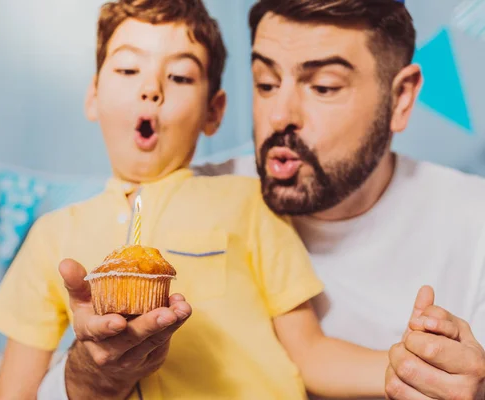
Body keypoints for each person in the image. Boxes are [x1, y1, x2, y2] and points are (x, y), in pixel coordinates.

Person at [38, 0, 485, 399]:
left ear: (400, 97)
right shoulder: (195, 194)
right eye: (266, 82)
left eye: (323, 86)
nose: (279, 116)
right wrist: (87, 378)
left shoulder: (473, 220)